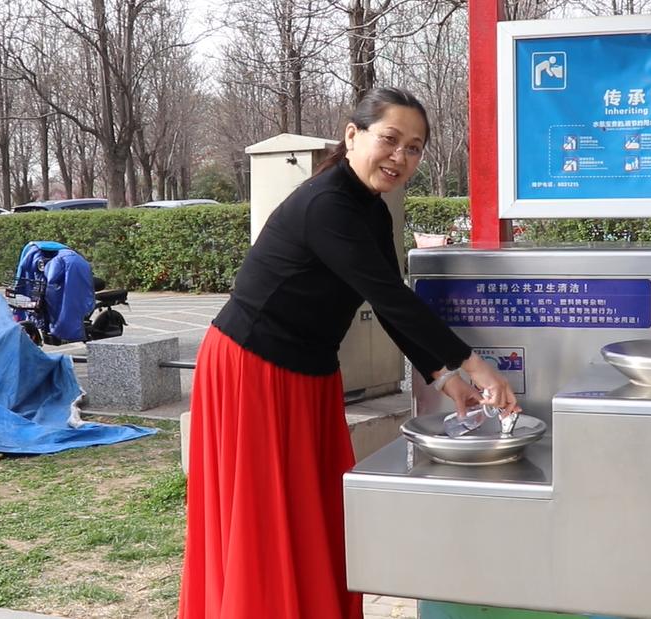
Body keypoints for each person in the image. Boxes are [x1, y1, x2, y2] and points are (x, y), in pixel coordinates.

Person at [178, 86, 520, 619]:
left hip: (308, 371)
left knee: (313, 513)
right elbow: (393, 299)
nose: (400, 157)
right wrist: (477, 367)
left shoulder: (369, 210)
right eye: (390, 140)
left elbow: (387, 301)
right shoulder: (327, 204)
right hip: (253, 367)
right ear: (352, 135)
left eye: (414, 147)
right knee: (266, 518)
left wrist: (442, 376)